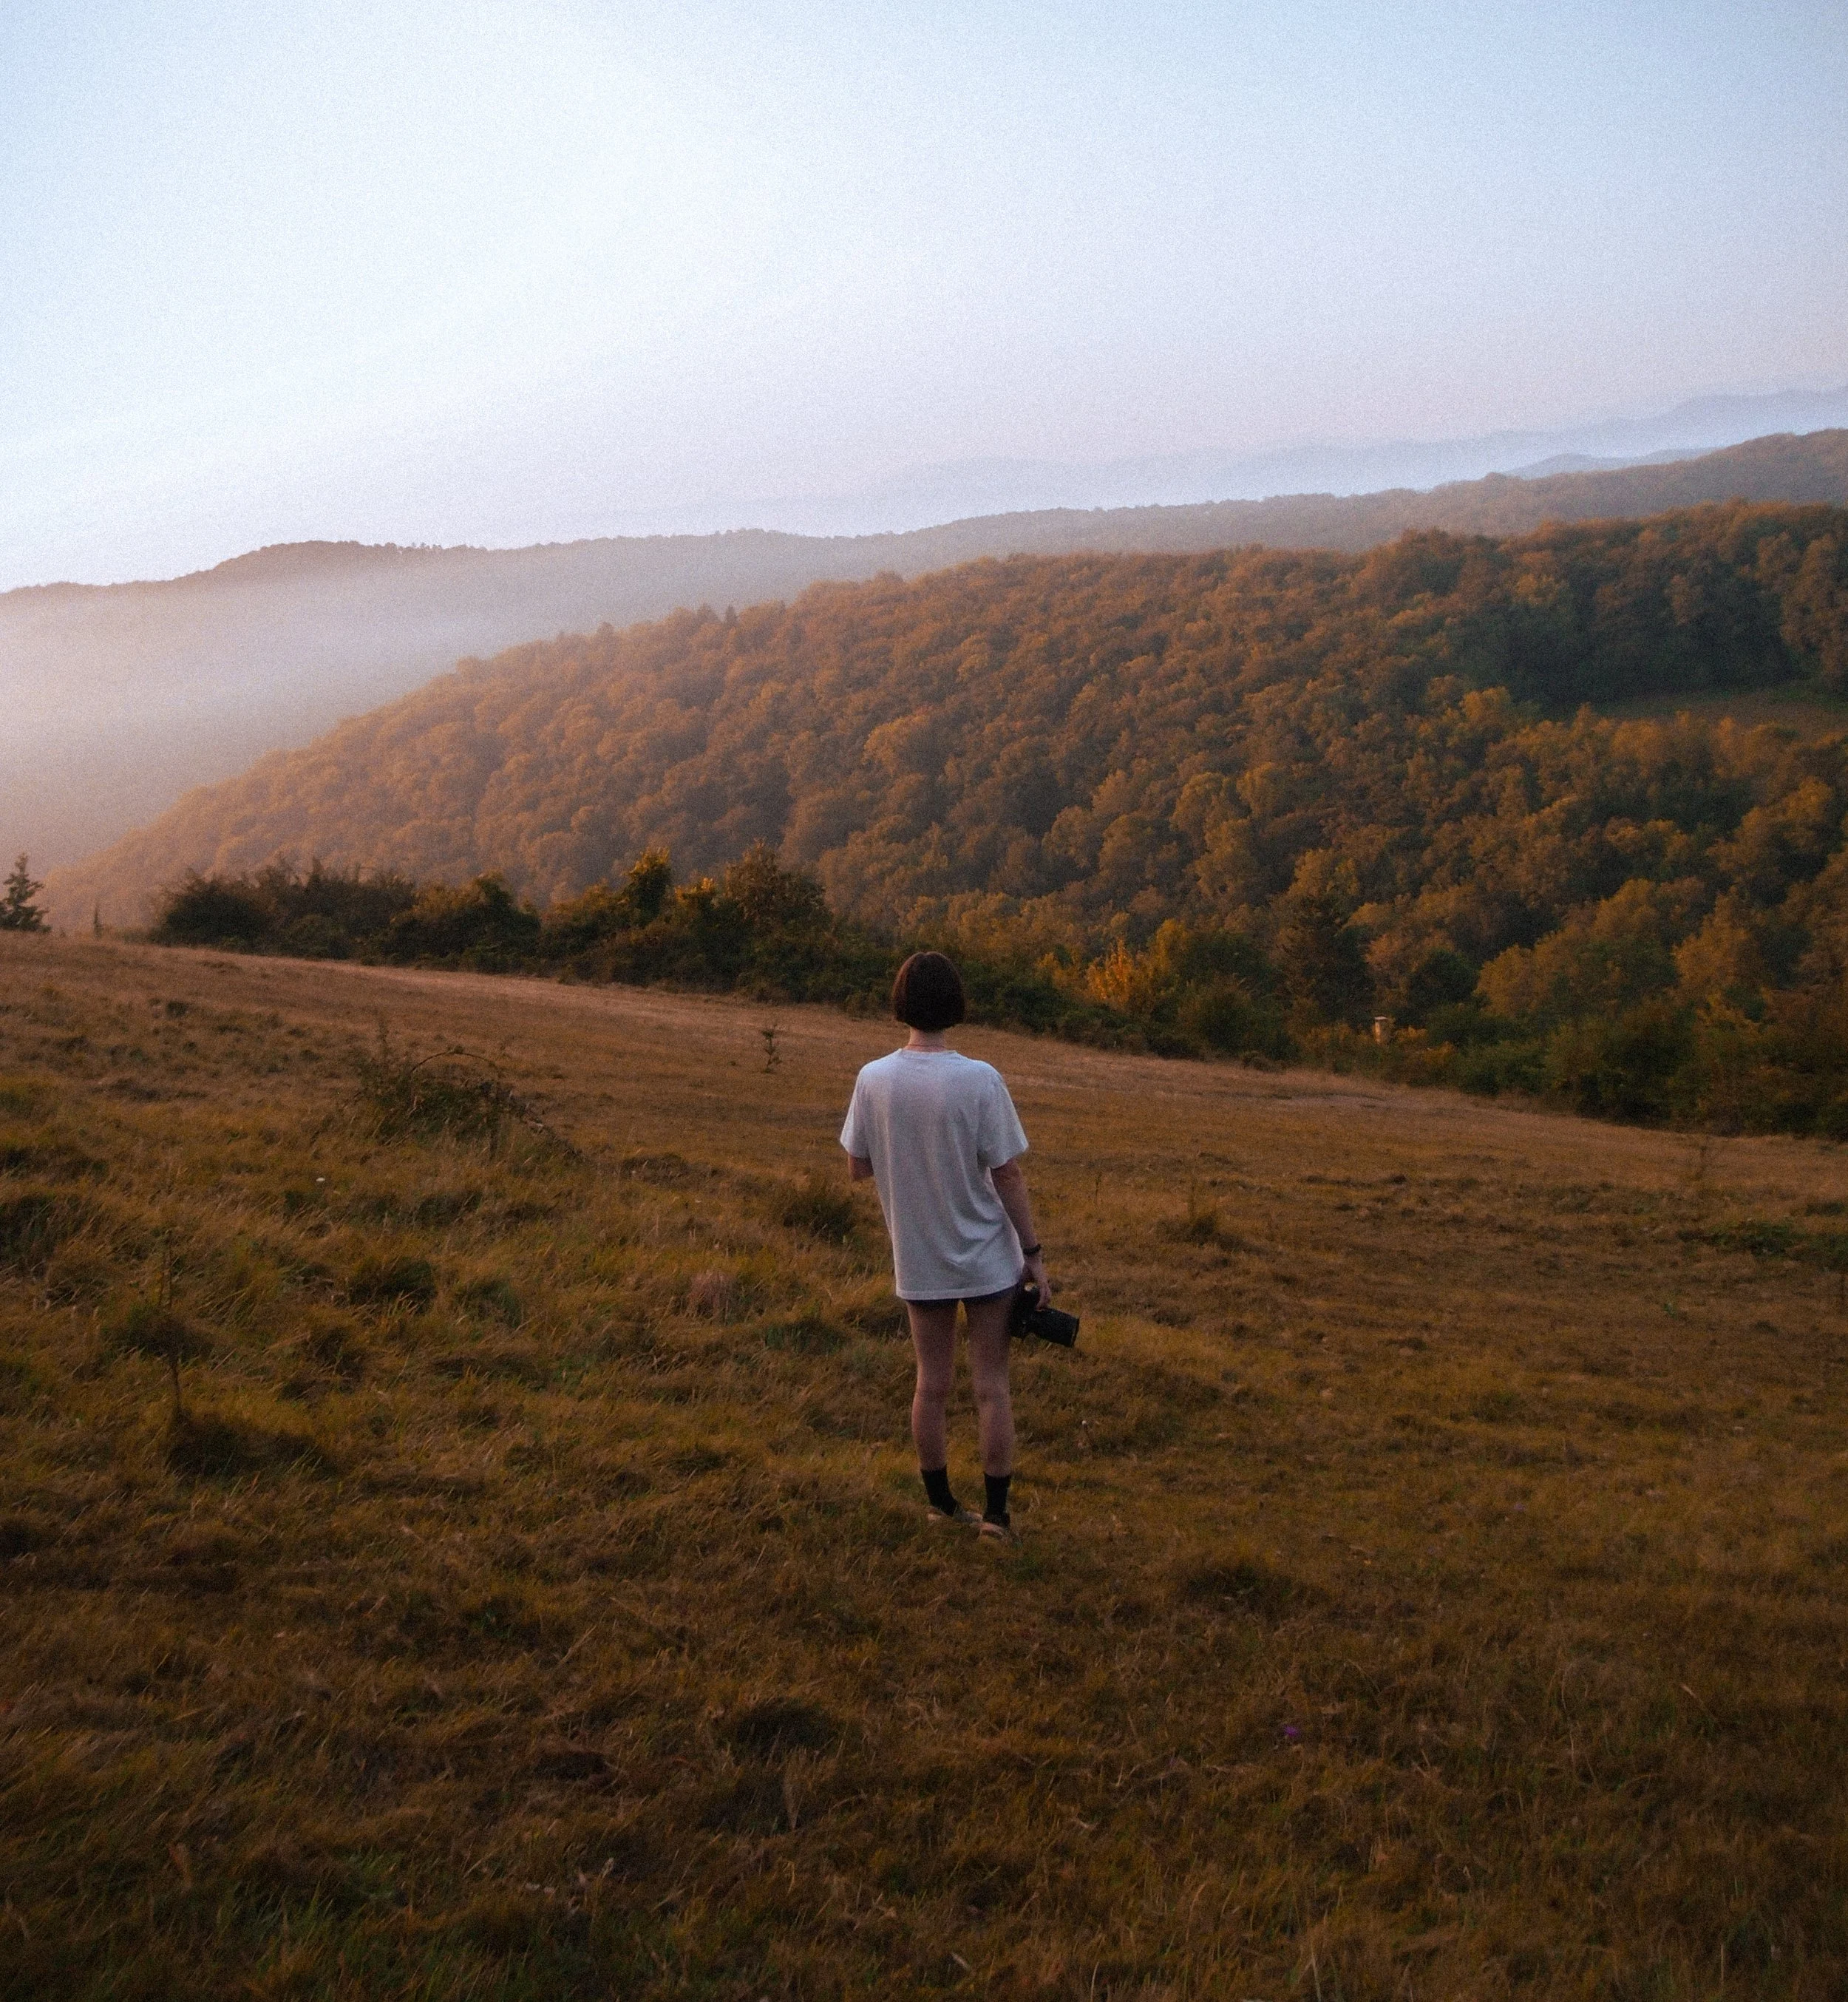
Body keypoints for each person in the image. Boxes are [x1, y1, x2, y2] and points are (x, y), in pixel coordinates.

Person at [839, 950, 1052, 1542]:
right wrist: (1033, 1254)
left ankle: (939, 1504)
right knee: (991, 1387)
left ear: (901, 1001)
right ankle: (998, 1519)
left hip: (919, 1255)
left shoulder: (873, 1079)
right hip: (988, 1257)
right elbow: (1006, 1173)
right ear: (955, 1003)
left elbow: (857, 1166)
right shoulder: (980, 1079)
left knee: (930, 1384)